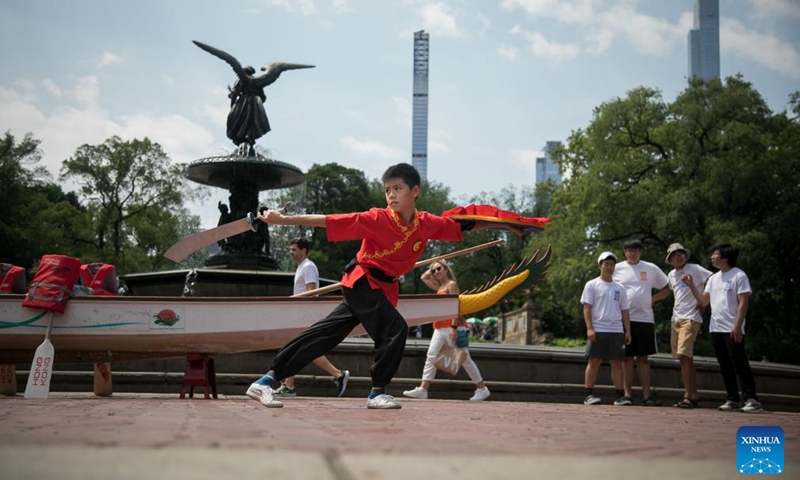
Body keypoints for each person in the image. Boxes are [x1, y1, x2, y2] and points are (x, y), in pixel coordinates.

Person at [245, 163, 476, 409]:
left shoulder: (426, 223)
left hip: (380, 287)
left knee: (324, 335)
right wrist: (284, 220)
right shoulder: (378, 218)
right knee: (395, 328)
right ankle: (377, 393)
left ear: (415, 191)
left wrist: (508, 226)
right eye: (387, 189)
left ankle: (265, 381)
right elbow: (332, 220)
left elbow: (463, 226)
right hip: (362, 281)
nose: (391, 195)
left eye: (398, 188)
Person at [684, 244, 763, 413]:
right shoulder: (713, 278)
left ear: (725, 258)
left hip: (732, 328)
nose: (712, 257)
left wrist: (737, 326)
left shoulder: (739, 276)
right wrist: (691, 286)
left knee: (739, 362)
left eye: (716, 254)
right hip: (716, 328)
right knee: (724, 364)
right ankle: (732, 399)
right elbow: (704, 301)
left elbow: (743, 302)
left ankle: (752, 399)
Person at [272, 238, 350, 399]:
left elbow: (311, 293)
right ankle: (289, 385)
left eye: (294, 249)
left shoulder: (308, 267)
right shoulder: (302, 267)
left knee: (301, 347)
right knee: (301, 348)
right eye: (290, 249)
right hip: (300, 313)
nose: (290, 252)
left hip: (304, 314)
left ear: (304, 250)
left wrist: (298, 308)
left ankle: (337, 374)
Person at [402, 260, 491, 402]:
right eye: (434, 270)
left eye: (439, 269)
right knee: (431, 356)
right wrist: (432, 264)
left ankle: (482, 388)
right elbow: (423, 278)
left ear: (446, 269)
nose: (436, 272)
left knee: (465, 359)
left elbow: (455, 307)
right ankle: (423, 389)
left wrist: (454, 327)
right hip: (439, 327)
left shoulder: (451, 285)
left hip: (452, 327)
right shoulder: (439, 286)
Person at [612, 239, 670, 406]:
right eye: (629, 250)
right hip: (624, 319)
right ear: (625, 252)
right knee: (627, 358)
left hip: (645, 318)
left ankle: (647, 396)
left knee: (643, 358)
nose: (632, 253)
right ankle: (627, 395)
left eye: (636, 250)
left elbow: (668, 287)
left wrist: (653, 299)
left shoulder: (650, 268)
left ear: (641, 252)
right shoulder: (617, 268)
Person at [664, 243, 711, 409]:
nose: (679, 256)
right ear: (670, 259)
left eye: (681, 253)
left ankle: (687, 396)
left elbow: (712, 280)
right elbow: (671, 291)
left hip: (691, 317)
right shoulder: (671, 274)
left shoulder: (695, 269)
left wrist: (704, 300)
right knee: (684, 358)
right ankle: (693, 394)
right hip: (676, 318)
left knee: (684, 355)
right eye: (675, 255)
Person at [581, 252, 631, 405]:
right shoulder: (592, 284)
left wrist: (627, 331)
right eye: (606, 264)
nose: (609, 267)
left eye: (612, 264)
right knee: (594, 361)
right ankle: (589, 394)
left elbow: (625, 310)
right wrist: (590, 328)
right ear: (600, 266)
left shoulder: (620, 288)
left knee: (617, 363)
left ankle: (619, 396)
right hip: (599, 328)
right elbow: (587, 308)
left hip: (616, 330)